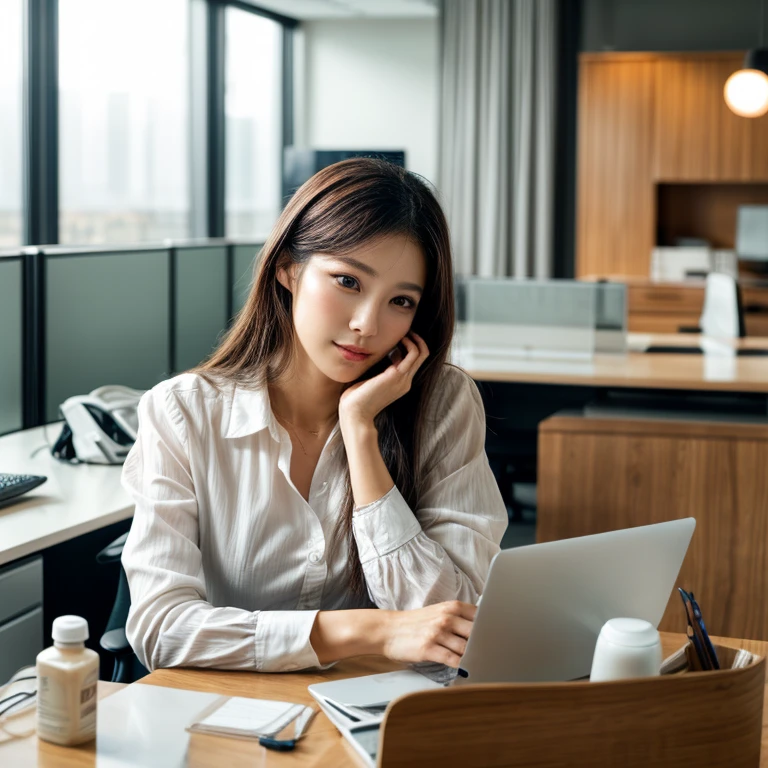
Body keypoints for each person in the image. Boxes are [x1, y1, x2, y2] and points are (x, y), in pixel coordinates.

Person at [121, 158, 508, 674]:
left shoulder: (442, 404)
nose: (367, 324)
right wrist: (363, 630)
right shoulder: (183, 412)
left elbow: (453, 616)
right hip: (228, 714)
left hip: (379, 714)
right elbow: (161, 630)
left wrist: (361, 434)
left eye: (400, 300)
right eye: (347, 280)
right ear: (289, 268)